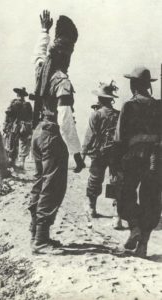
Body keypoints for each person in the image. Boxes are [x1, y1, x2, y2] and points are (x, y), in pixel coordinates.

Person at [29, 10, 81, 254]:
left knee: (40, 183)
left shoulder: (42, 70)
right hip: (53, 135)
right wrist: (77, 153)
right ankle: (41, 240)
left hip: (38, 133)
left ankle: (35, 233)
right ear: (66, 54)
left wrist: (44, 31)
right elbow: (65, 119)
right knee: (53, 186)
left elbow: (38, 54)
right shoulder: (61, 80)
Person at [114, 66, 162, 258]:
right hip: (156, 158)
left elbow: (119, 139)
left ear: (133, 85)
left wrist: (116, 164)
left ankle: (134, 227)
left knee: (125, 193)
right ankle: (143, 245)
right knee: (150, 200)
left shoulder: (128, 106)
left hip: (133, 157)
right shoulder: (159, 106)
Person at [82, 81, 122, 229]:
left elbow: (89, 137)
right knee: (116, 181)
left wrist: (82, 154)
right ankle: (117, 215)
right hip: (116, 153)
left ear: (100, 99)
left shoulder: (96, 115)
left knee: (95, 179)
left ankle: (92, 208)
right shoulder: (119, 115)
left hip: (99, 152)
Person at [3, 87, 32, 171]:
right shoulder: (28, 105)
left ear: (17, 94)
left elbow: (7, 116)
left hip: (14, 127)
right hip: (25, 127)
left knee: (12, 143)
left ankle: (12, 162)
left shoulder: (13, 103)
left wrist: (5, 126)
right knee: (23, 144)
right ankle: (22, 164)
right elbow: (31, 117)